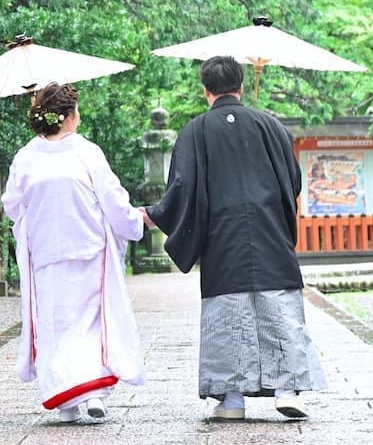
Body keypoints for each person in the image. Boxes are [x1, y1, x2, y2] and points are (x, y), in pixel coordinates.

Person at [139, 55, 326, 420]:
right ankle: (288, 390)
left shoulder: (195, 131)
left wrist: (155, 215)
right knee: (279, 309)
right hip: (270, 232)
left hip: (222, 238)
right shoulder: (272, 126)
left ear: (205, 90)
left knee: (229, 313)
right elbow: (293, 181)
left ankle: (232, 400)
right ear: (241, 86)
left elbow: (182, 186)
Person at [2, 82, 145, 424]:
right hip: (88, 250)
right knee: (91, 323)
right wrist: (133, 223)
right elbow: (111, 198)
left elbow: (12, 205)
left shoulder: (25, 157)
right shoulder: (86, 152)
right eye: (75, 112)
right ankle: (93, 394)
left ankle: (67, 401)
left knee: (55, 325)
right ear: (66, 117)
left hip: (47, 254)